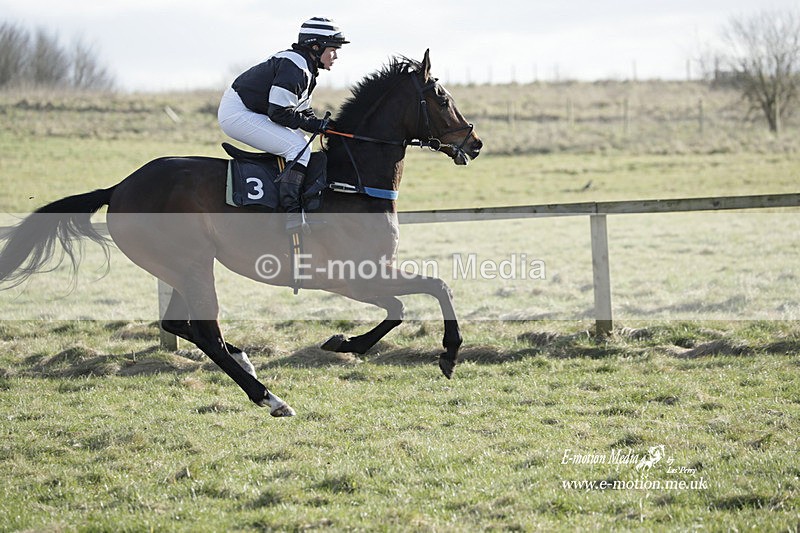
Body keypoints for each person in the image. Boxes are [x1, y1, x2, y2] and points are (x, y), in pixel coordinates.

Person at [218, 17, 349, 232]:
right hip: (238, 113)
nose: (335, 56)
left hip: (252, 111)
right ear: (316, 47)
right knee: (297, 148)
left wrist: (327, 125)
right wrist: (316, 124)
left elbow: (301, 111)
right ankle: (291, 213)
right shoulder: (295, 66)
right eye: (333, 49)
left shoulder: (305, 67)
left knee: (303, 143)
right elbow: (279, 113)